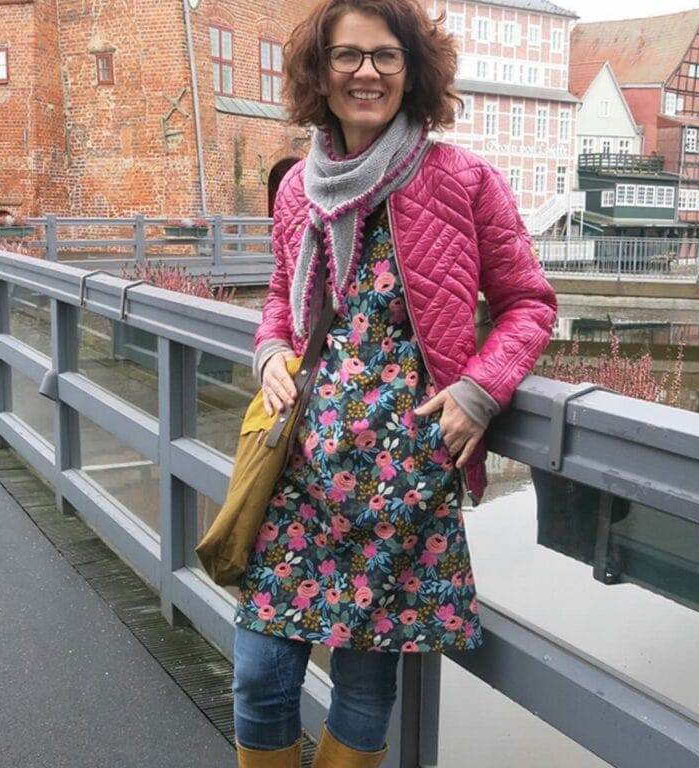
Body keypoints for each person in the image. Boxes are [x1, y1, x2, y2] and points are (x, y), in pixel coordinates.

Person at [232, 1, 557, 765]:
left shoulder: (464, 180)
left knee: (363, 684)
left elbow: (529, 304)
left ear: (413, 70)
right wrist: (270, 347)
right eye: (347, 55)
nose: (367, 72)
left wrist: (481, 389)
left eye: (386, 55)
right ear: (320, 72)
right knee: (259, 678)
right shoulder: (297, 188)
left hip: (404, 480)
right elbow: (280, 294)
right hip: (301, 469)